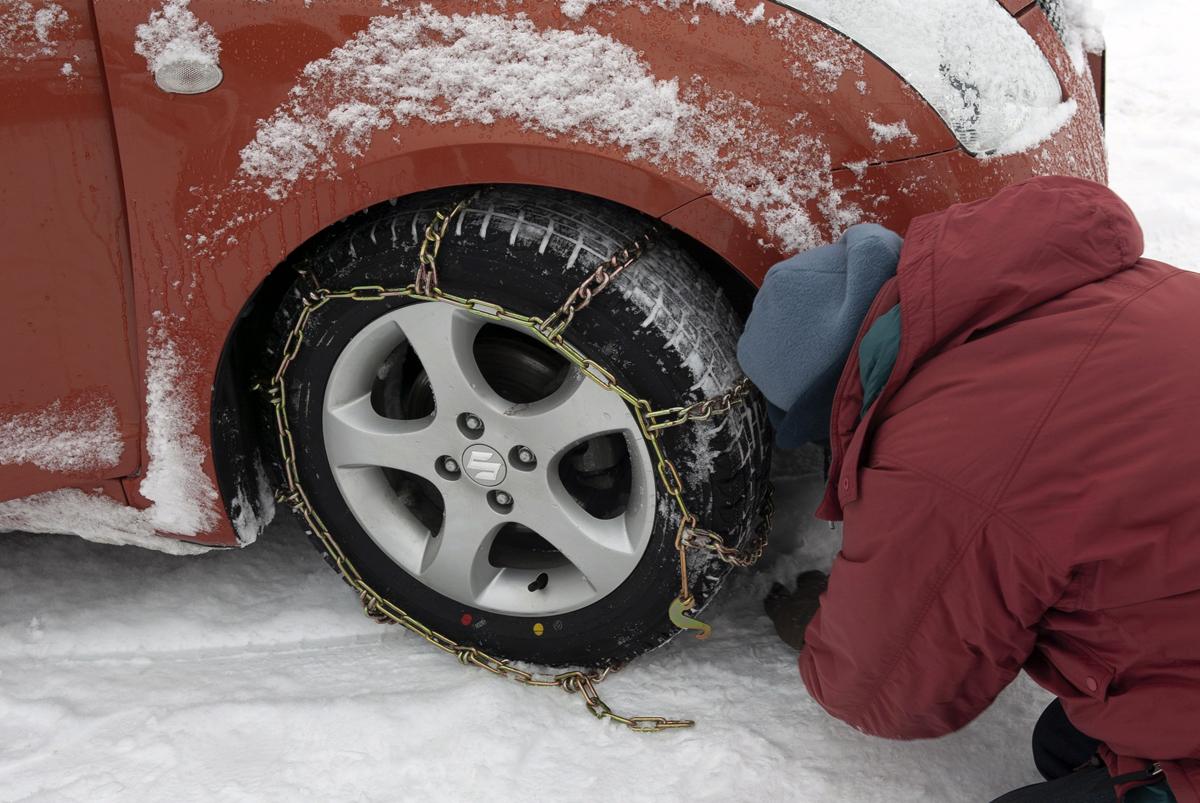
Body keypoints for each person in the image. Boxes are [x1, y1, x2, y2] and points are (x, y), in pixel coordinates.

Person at [738, 176, 1198, 803]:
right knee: (1064, 743)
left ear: (837, 398)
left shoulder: (946, 454)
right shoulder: (1116, 286)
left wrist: (834, 629)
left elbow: (885, 690)